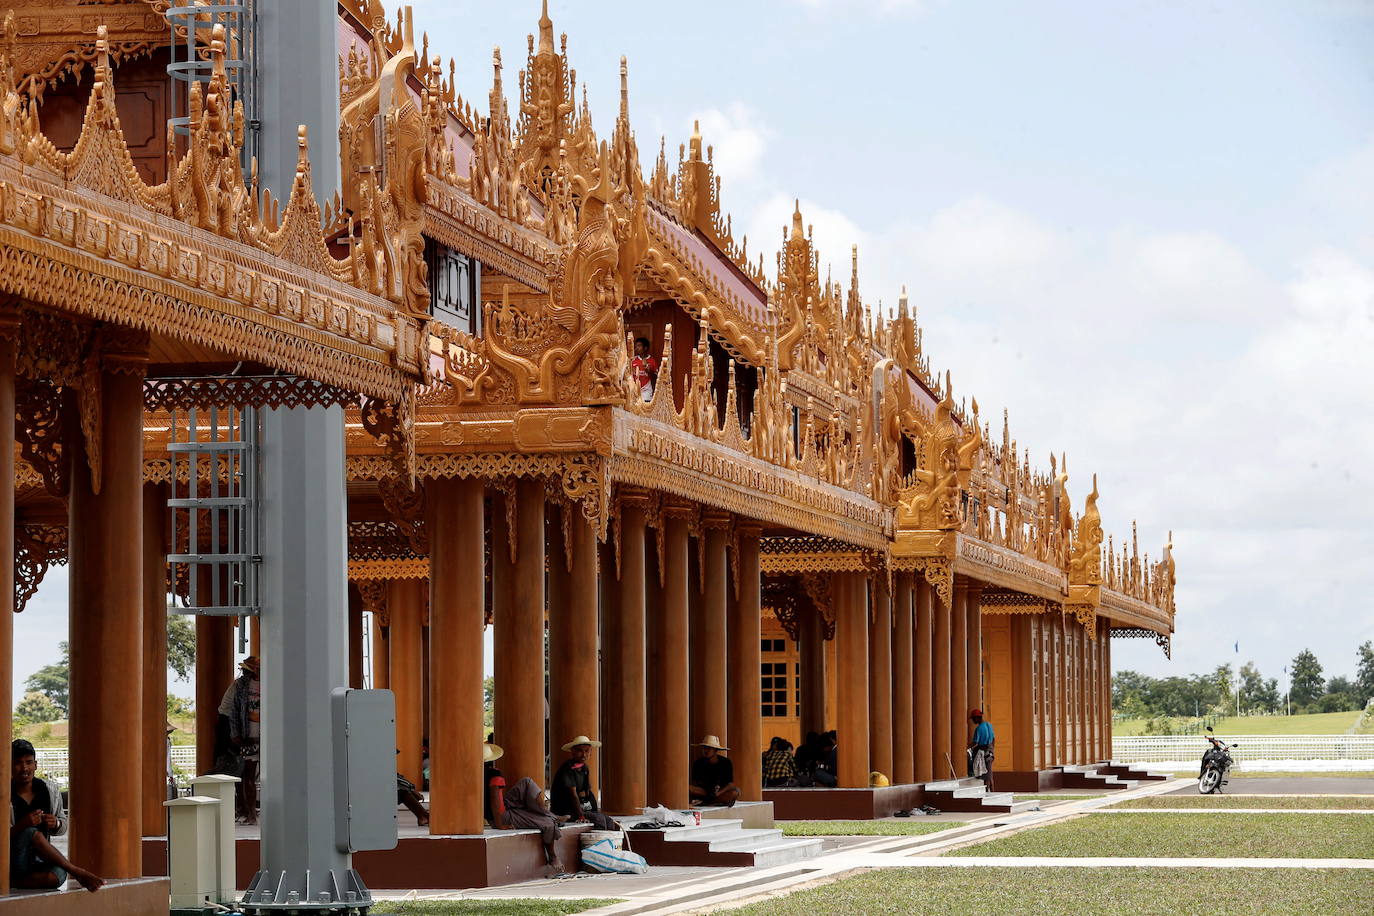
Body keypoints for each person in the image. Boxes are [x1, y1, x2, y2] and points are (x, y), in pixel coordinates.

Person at [9, 740, 103, 893]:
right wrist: (23, 824)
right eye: (18, 763)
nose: (24, 768)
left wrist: (56, 823)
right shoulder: (4, 793)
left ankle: (11, 880)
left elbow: (62, 826)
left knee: (57, 876)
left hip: (40, 859)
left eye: (29, 762)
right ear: (10, 765)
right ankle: (77, 871)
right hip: (13, 859)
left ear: (36, 765)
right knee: (32, 833)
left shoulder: (49, 789)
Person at [218, 655, 261, 824]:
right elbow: (233, 711)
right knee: (247, 773)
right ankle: (250, 813)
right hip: (246, 733)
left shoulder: (271, 684)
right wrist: (236, 734)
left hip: (264, 734)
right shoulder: (241, 686)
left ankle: (246, 810)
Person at [550, 735, 619, 830]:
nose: (584, 754)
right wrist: (581, 816)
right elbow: (573, 795)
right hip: (566, 810)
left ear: (591, 752)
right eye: (579, 751)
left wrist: (593, 810)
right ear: (573, 752)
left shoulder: (584, 768)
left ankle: (610, 843)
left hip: (581, 808)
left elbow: (586, 791)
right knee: (599, 819)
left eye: (587, 751)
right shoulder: (567, 769)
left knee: (609, 820)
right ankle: (598, 843)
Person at [500, 777, 566, 875]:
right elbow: (495, 805)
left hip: (515, 808)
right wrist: (500, 824)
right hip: (506, 813)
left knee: (527, 782)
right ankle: (552, 855)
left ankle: (549, 814)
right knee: (548, 823)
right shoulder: (494, 777)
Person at [689, 735, 740, 807]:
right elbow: (695, 782)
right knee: (689, 788)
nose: (706, 751)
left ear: (715, 750)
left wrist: (718, 793)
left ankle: (708, 803)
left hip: (719, 793)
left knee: (734, 793)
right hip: (704, 792)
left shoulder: (725, 762)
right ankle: (706, 801)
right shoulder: (698, 763)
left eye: (709, 749)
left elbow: (730, 784)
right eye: (704, 748)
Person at [967, 709, 995, 789]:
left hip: (983, 752)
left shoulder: (979, 729)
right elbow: (993, 739)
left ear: (977, 718)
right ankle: (990, 791)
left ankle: (990, 792)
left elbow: (975, 743)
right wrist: (992, 750)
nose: (973, 721)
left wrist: (967, 747)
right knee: (989, 773)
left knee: (986, 775)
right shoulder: (989, 725)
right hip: (990, 751)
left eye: (973, 719)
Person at [483, 741, 506, 827]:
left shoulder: (473, 775)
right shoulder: (495, 773)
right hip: (495, 817)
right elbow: (495, 797)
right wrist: (499, 823)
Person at [631, 337, 659, 402]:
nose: (637, 348)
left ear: (645, 348)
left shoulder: (652, 361)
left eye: (639, 346)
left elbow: (656, 377)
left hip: (646, 391)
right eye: (636, 346)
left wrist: (649, 371)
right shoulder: (633, 360)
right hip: (635, 391)